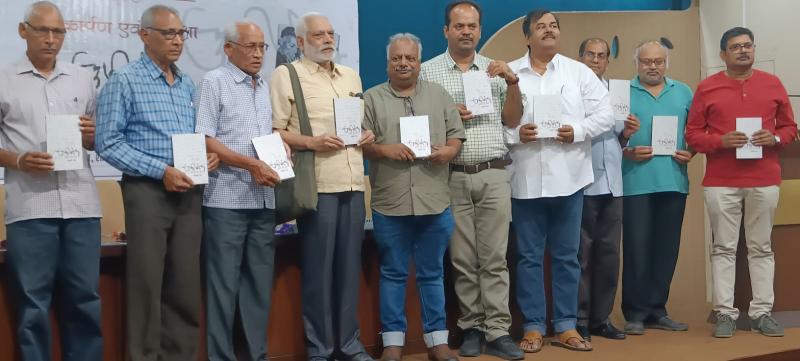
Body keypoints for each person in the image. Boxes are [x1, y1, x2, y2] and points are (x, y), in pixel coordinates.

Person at [95, 5, 219, 360]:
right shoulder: (125, 80)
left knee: (184, 286)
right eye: (169, 33)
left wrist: (207, 157)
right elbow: (107, 142)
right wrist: (159, 170)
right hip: (147, 192)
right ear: (144, 35)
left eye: (181, 33)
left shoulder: (186, 83)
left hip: (189, 193)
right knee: (146, 285)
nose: (177, 40)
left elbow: (195, 137)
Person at [505, 9, 613, 353]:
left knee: (568, 257)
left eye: (554, 26)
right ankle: (534, 326)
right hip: (525, 180)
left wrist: (578, 130)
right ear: (527, 37)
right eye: (541, 27)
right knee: (528, 257)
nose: (549, 31)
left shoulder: (577, 71)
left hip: (569, 178)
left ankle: (566, 325)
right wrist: (514, 134)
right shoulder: (510, 73)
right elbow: (495, 123)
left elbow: (607, 114)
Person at [269, 12, 375, 361]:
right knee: (318, 270)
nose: (327, 40)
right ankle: (320, 348)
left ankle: (349, 344)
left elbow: (355, 125)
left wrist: (366, 135)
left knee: (349, 271)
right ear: (300, 42)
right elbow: (274, 131)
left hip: (353, 181)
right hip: (318, 185)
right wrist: (311, 142)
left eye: (331, 33)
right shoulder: (287, 75)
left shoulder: (350, 76)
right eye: (318, 35)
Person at [420, 2, 523, 358]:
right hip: (451, 175)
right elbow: (417, 125)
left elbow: (512, 120)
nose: (466, 31)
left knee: (495, 258)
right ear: (446, 30)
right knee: (462, 259)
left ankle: (498, 329)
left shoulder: (496, 69)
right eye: (459, 25)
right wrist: (448, 119)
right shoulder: (428, 72)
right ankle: (472, 327)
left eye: (472, 26)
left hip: (494, 171)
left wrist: (512, 82)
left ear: (479, 30)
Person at [0, 2, 102, 360]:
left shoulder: (81, 77)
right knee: (32, 305)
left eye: (57, 32)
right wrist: (19, 160)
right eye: (42, 30)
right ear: (22, 30)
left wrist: (91, 135)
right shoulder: (4, 79)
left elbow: (94, 138)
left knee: (86, 300)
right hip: (29, 208)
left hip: (81, 205)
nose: (50, 39)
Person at [686, 27, 797, 338]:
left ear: (754, 49)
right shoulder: (707, 88)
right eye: (735, 47)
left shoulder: (772, 84)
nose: (743, 51)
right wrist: (719, 140)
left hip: (765, 178)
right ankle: (725, 313)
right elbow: (692, 134)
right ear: (723, 54)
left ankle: (762, 313)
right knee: (723, 247)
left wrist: (773, 137)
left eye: (748, 45)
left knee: (761, 247)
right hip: (721, 181)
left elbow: (789, 128)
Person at [363, 32, 466, 361]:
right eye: (397, 58)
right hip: (389, 203)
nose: (403, 63)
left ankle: (437, 340)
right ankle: (393, 342)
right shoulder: (370, 99)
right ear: (388, 63)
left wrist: (447, 153)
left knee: (432, 273)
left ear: (419, 62)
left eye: (410, 58)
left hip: (434, 201)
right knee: (392, 273)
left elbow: (456, 137)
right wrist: (383, 149)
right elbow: (361, 144)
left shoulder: (440, 95)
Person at [195, 21, 285, 360]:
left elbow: (262, 135)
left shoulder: (263, 84)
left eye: (263, 46)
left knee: (258, 289)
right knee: (223, 290)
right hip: (225, 202)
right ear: (229, 48)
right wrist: (251, 164)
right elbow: (204, 138)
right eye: (251, 46)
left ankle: (255, 356)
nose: (259, 53)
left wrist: (279, 149)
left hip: (263, 200)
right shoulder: (213, 82)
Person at [619, 40, 694, 336]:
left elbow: (696, 132)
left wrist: (692, 153)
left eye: (659, 61)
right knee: (637, 248)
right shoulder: (622, 92)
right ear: (637, 63)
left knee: (666, 249)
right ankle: (635, 313)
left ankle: (657, 309)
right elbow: (608, 136)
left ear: (666, 64)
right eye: (647, 61)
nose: (653, 66)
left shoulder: (684, 92)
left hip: (674, 180)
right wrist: (626, 148)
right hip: (635, 181)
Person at [575, 37, 626, 341]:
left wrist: (627, 134)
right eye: (590, 55)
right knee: (581, 255)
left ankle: (601, 318)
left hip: (614, 183)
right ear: (580, 58)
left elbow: (618, 138)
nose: (596, 60)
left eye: (601, 56)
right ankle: (579, 318)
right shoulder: (572, 91)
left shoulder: (617, 92)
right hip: (583, 183)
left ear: (608, 61)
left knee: (609, 254)